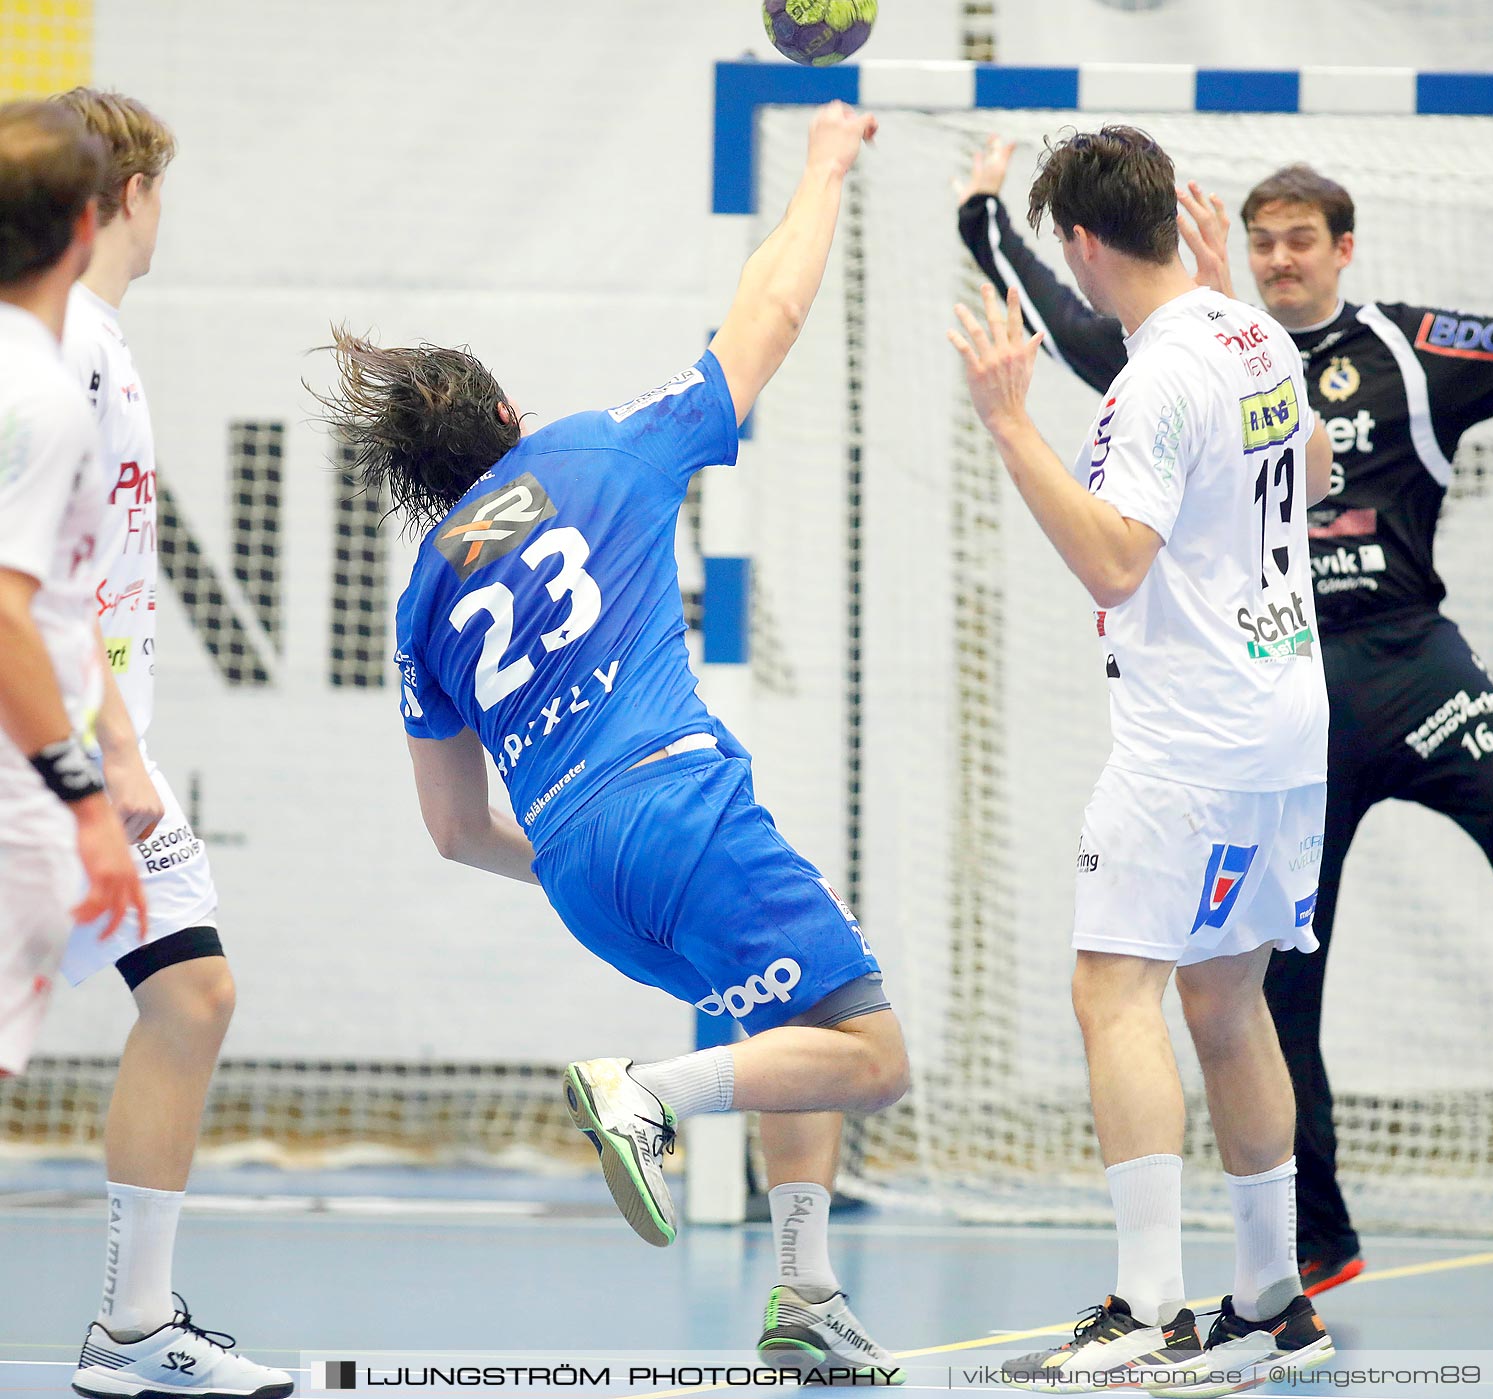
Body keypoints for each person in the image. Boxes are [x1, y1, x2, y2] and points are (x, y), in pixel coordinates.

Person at [956, 139, 1493, 1294]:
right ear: (1218, 244)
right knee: (1257, 992)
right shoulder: (1234, 342)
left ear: (1344, 249)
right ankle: (1301, 1253)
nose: (1281, 258)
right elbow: (1075, 321)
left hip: (1373, 669)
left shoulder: (1344, 351)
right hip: (1298, 691)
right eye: (1262, 240)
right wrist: (980, 219)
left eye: (1302, 239)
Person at [311, 101, 911, 1380]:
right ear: (509, 411)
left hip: (582, 877)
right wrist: (823, 165)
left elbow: (455, 831)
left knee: (792, 1021)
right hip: (677, 807)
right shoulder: (592, 446)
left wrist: (578, 848)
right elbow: (769, 319)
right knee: (870, 1055)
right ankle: (646, 1095)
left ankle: (803, 1293)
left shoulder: (421, 600)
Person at [950, 126, 1335, 1395]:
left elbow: (1116, 559)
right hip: (1284, 722)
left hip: (1192, 740)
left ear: (1080, 244)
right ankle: (1275, 1302)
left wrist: (1011, 424)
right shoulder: (1252, 331)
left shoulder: (1157, 374)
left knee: (1113, 992)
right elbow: (1317, 466)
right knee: (1226, 1006)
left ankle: (1150, 1312)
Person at [42, 89, 294, 1399]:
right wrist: (112, 754)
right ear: (126, 197)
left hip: (95, 738)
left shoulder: (99, 338)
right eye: (163, 189)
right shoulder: (54, 342)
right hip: (53, 748)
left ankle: (135, 1327)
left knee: (190, 991)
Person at [0, 100, 144, 1080]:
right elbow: (6, 612)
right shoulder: (40, 396)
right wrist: (89, 802)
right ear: (88, 225)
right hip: (18, 782)